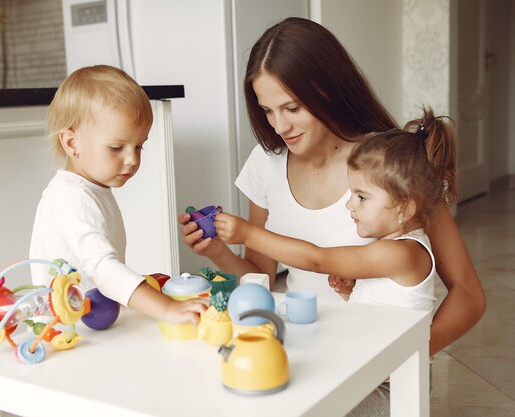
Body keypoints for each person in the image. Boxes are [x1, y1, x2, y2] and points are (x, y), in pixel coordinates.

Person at [178, 17, 485, 414]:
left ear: (327, 89)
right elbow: (260, 277)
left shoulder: (390, 166)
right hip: (309, 355)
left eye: (292, 107)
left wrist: (398, 355)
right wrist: (217, 251)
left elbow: (469, 295)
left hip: (376, 374)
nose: (279, 125)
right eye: (267, 110)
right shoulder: (265, 164)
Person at [215, 107, 454, 315]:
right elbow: (382, 312)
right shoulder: (394, 250)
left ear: (404, 207)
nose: (350, 204)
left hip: (396, 366)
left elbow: (317, 259)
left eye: (361, 197)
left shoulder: (399, 253)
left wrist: (247, 234)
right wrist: (354, 293)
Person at [30, 65, 208, 325]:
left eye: (139, 146)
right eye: (116, 148)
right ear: (72, 143)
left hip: (93, 323)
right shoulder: (73, 198)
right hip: (70, 331)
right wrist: (167, 308)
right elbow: (102, 269)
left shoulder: (89, 187)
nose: (132, 159)